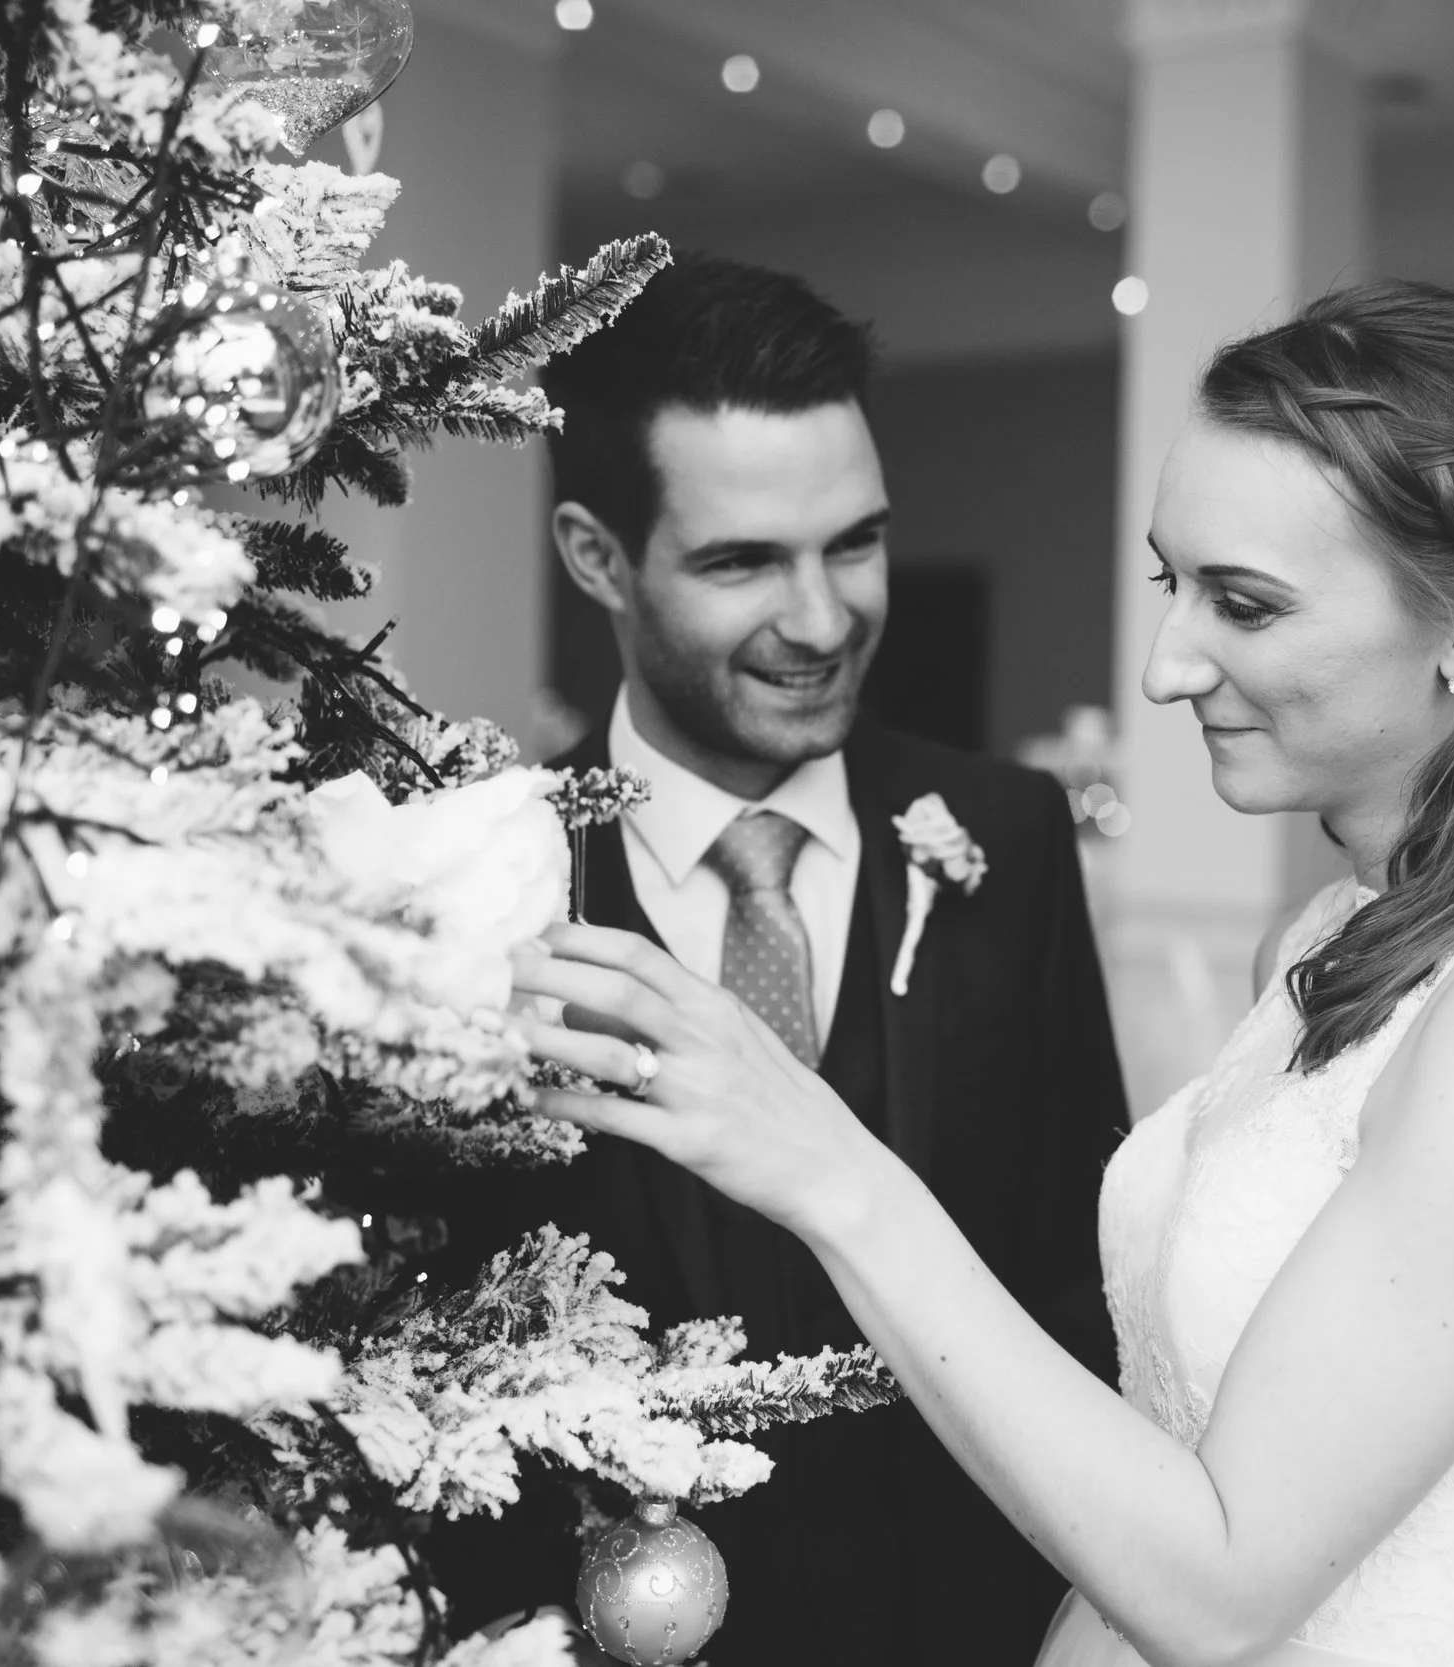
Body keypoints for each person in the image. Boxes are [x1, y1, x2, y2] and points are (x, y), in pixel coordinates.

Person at [510, 279, 1454, 1667]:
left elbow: (1227, 1585)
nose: (1169, 663)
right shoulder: (1328, 942)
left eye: (1244, 603)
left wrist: (834, 1169)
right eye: (1173, 582)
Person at [433, 254, 1131, 1666]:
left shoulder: (1009, 834)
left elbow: (1079, 1277)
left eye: (853, 543)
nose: (822, 621)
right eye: (743, 560)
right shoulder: (469, 886)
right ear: (596, 556)